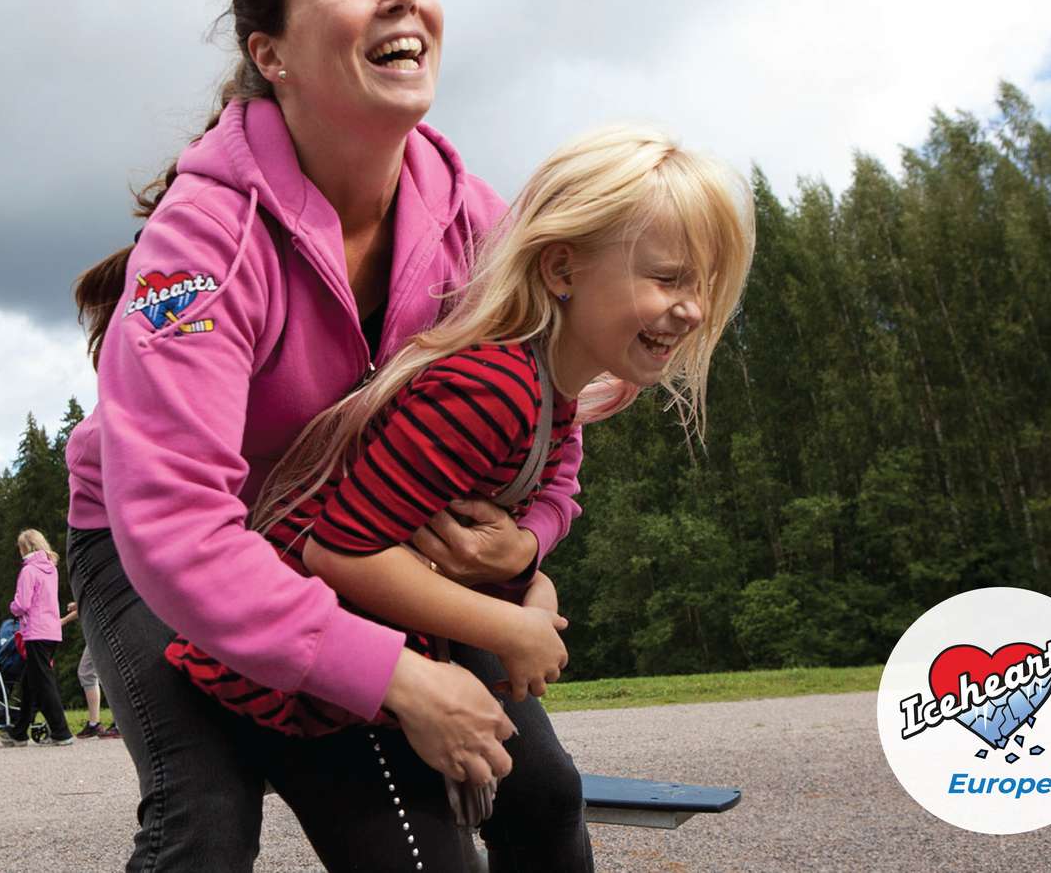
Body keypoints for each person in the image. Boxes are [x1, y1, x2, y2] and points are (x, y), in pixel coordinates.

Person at [66, 0, 587, 870]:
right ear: (271, 54)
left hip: (348, 536)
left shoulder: (477, 224)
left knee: (543, 794)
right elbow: (177, 528)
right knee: (205, 823)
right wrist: (389, 674)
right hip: (156, 548)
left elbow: (548, 422)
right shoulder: (199, 248)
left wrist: (526, 542)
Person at [169, 123, 755, 750]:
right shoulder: (494, 391)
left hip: (350, 658)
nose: (693, 309)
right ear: (563, 269)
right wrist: (509, 629)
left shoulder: (551, 397)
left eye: (703, 286)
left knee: (540, 795)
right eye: (668, 279)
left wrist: (530, 580)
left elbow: (492, 520)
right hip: (282, 675)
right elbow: (340, 551)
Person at [2, 529, 74, 747]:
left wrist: (12, 607)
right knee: (30, 682)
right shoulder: (50, 568)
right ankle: (19, 732)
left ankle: (61, 732)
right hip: (52, 631)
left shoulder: (28, 571)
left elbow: (22, 604)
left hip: (35, 631)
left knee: (43, 683)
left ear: (25, 547)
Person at [63, 602, 121, 739]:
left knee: (108, 672)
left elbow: (100, 598)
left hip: (108, 625)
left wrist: (66, 618)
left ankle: (120, 724)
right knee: (88, 672)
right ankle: (95, 724)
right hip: (100, 628)